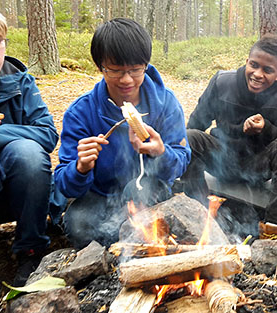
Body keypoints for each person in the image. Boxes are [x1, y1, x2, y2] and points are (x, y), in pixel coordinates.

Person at [54, 18, 190, 250]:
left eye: (135, 70)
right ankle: (124, 245)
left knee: (141, 194)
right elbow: (65, 185)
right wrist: (81, 168)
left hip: (148, 191)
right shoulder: (81, 112)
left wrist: (161, 152)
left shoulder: (166, 103)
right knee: (77, 224)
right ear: (100, 67)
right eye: (115, 71)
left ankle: (130, 243)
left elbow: (181, 162)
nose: (127, 80)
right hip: (100, 195)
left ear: (145, 65)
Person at [181, 34, 277, 240]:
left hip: (259, 166)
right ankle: (199, 213)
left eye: (267, 70)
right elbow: (196, 124)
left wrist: (265, 129)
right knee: (189, 138)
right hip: (222, 158)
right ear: (246, 61)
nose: (257, 74)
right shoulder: (222, 82)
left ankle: (273, 230)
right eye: (254, 65)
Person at [0, 3, 59, 286]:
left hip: (20, 186)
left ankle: (30, 251)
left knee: (28, 153)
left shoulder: (20, 81)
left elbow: (47, 133)